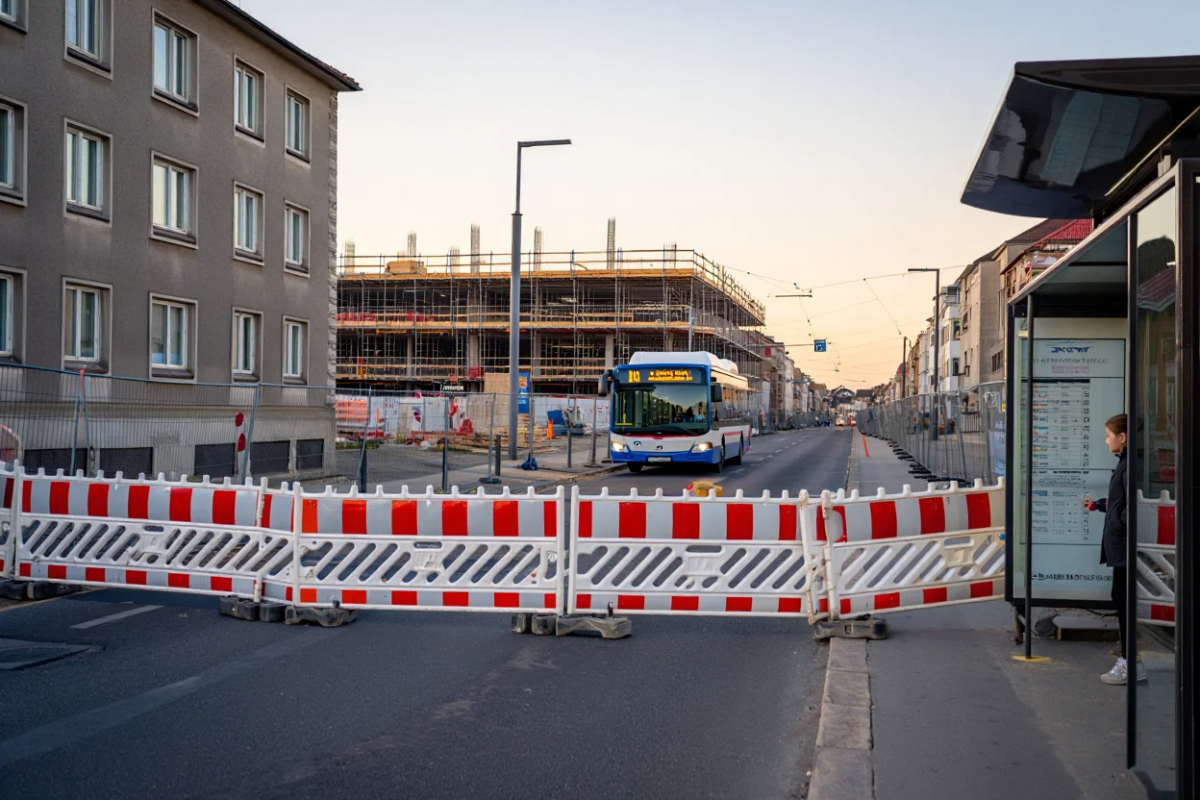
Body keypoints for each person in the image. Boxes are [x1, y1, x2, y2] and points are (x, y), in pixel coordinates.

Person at [1085, 413, 1144, 685]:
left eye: (1109, 435)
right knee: (1122, 600)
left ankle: (1129, 664)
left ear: (1122, 438)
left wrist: (1118, 521)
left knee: (1123, 602)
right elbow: (1122, 502)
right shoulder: (1126, 462)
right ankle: (1130, 660)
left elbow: (1131, 507)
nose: (1106, 440)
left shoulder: (1130, 464)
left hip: (1125, 548)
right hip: (1122, 547)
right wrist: (1100, 505)